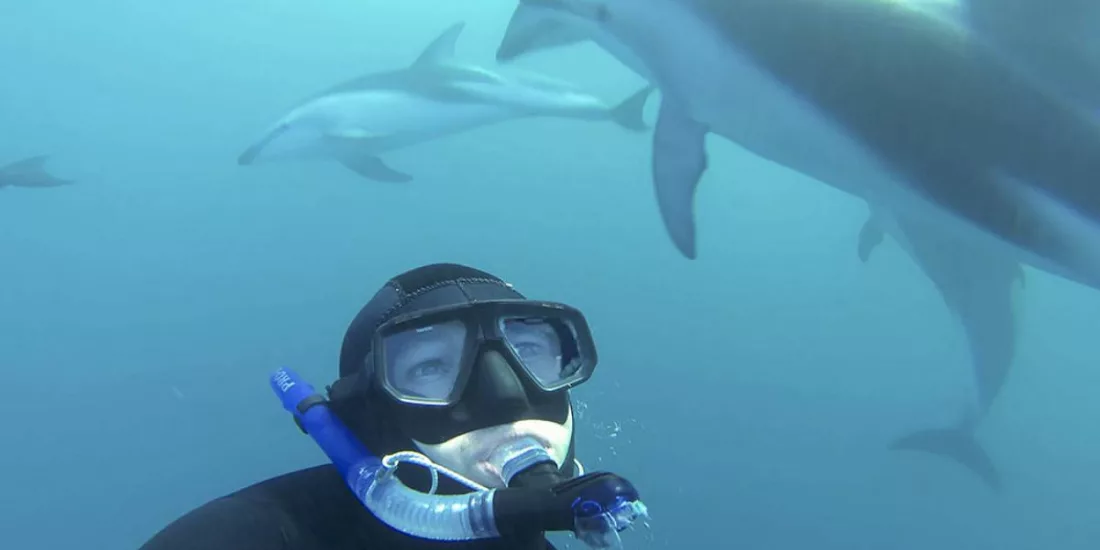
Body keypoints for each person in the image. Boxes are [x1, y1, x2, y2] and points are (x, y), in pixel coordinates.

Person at [139, 263, 646, 550]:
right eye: (430, 367)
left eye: (529, 352)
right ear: (371, 415)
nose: (508, 393)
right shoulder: (245, 539)